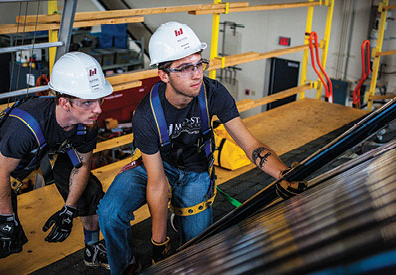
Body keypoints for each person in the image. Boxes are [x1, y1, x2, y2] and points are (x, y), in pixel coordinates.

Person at [97, 21, 307, 274]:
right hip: (156, 167)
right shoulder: (146, 115)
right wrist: (158, 243)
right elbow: (156, 183)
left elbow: (250, 144)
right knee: (109, 212)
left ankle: (184, 222)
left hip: (195, 170)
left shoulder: (214, 94)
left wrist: (284, 174)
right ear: (163, 75)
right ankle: (124, 265)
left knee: (199, 249)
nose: (197, 74)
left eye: (198, 64)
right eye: (185, 68)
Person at [0, 52, 113, 274]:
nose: (98, 109)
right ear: (64, 103)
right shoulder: (23, 129)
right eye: (87, 102)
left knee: (90, 190)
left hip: (53, 148)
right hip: (8, 163)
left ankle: (92, 248)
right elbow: (1, 172)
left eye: (100, 99)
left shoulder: (88, 124)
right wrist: (6, 217)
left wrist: (69, 209)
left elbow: (82, 166)